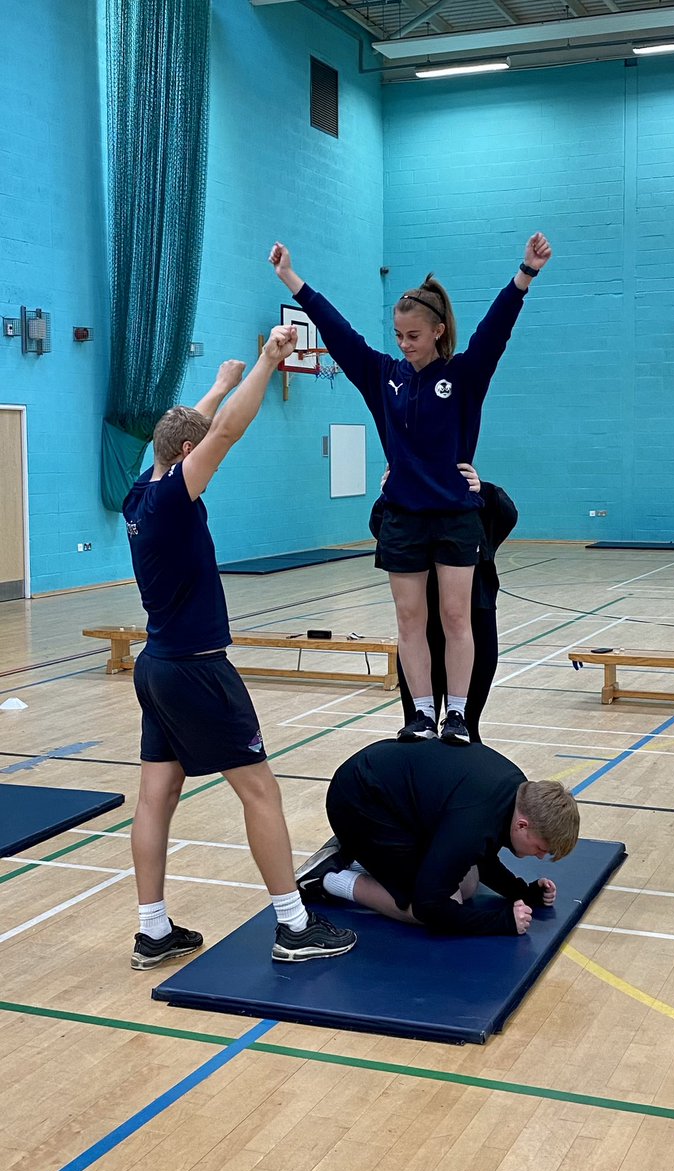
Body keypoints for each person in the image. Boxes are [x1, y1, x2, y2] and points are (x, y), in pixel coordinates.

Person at [122, 330, 357, 969]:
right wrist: (265, 362)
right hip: (198, 671)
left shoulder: (140, 494)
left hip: (156, 669)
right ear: (188, 454)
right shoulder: (172, 500)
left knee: (155, 797)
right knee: (260, 792)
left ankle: (152, 929)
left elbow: (177, 437)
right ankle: (292, 923)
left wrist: (219, 385)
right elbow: (223, 435)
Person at [269, 234, 551, 746]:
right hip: (402, 517)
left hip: (455, 517)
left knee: (456, 616)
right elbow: (338, 332)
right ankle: (421, 712)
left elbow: (496, 330)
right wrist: (292, 279)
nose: (404, 343)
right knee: (409, 618)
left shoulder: (465, 375)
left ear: (439, 331)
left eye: (414, 335)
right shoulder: (382, 376)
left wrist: (525, 273)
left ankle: (459, 716)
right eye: (398, 334)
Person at [296, 739, 579, 936]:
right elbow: (429, 906)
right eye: (541, 848)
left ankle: (355, 856)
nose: (541, 857)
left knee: (468, 884)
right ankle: (328, 878)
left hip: (390, 796)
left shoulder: (514, 791)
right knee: (432, 905)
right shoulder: (475, 819)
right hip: (358, 802)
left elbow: (481, 853)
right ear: (522, 825)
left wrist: (521, 892)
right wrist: (500, 922)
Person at [370, 464, 518, 743]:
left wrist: (479, 488)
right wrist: (391, 493)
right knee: (417, 724)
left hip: (474, 618)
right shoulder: (400, 504)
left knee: (464, 726)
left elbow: (507, 515)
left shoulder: (479, 496)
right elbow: (383, 530)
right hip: (423, 626)